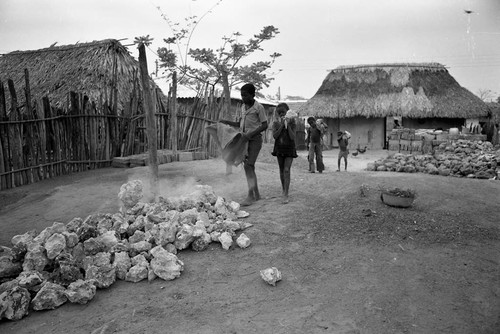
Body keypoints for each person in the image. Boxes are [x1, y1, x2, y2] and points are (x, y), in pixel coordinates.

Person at [220, 83, 268, 206]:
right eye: (242, 95)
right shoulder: (243, 107)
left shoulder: (259, 108)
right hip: (244, 139)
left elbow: (264, 125)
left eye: (245, 95)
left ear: (253, 95)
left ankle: (251, 195)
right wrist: (226, 122)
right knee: (249, 167)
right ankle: (256, 194)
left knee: (248, 165)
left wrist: (251, 134)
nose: (243, 98)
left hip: (255, 140)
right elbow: (239, 124)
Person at [271, 103, 298, 204]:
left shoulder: (293, 123)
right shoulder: (275, 123)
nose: (282, 114)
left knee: (287, 170)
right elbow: (275, 136)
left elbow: (292, 137)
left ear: (288, 112)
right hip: (279, 148)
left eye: (283, 112)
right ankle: (283, 190)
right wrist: (282, 125)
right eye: (279, 113)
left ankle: (286, 193)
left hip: (289, 148)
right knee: (282, 170)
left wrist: (288, 125)